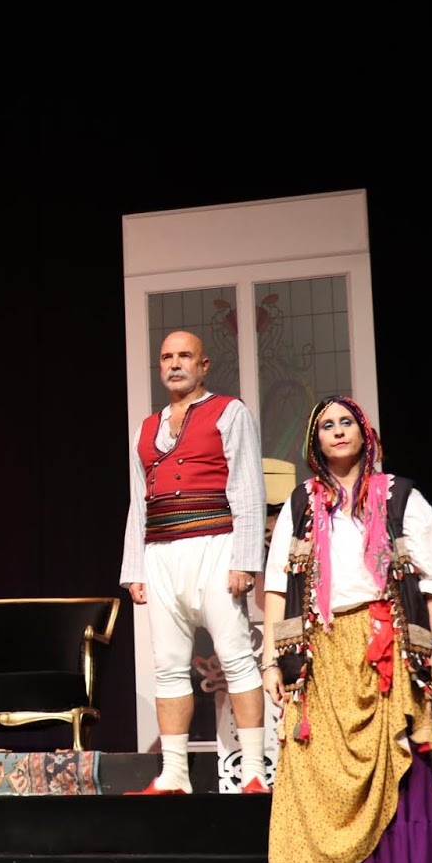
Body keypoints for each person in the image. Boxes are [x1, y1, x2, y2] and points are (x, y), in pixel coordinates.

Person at [261, 397, 432, 863]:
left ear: (364, 432)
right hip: (322, 650)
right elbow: (277, 586)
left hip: (385, 643)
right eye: (326, 426)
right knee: (318, 772)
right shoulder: (302, 504)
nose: (337, 431)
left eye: (345, 422)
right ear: (315, 442)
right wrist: (271, 660)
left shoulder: (400, 497)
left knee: (395, 760)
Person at [120, 329, 269, 794]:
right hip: (162, 552)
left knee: (236, 656)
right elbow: (139, 503)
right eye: (167, 357)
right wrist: (134, 569)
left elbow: (247, 487)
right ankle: (175, 774)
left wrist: (245, 559)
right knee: (167, 664)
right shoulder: (146, 428)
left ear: (203, 366)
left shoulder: (229, 412)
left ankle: (253, 772)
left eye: (185, 356)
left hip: (215, 544)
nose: (174, 363)